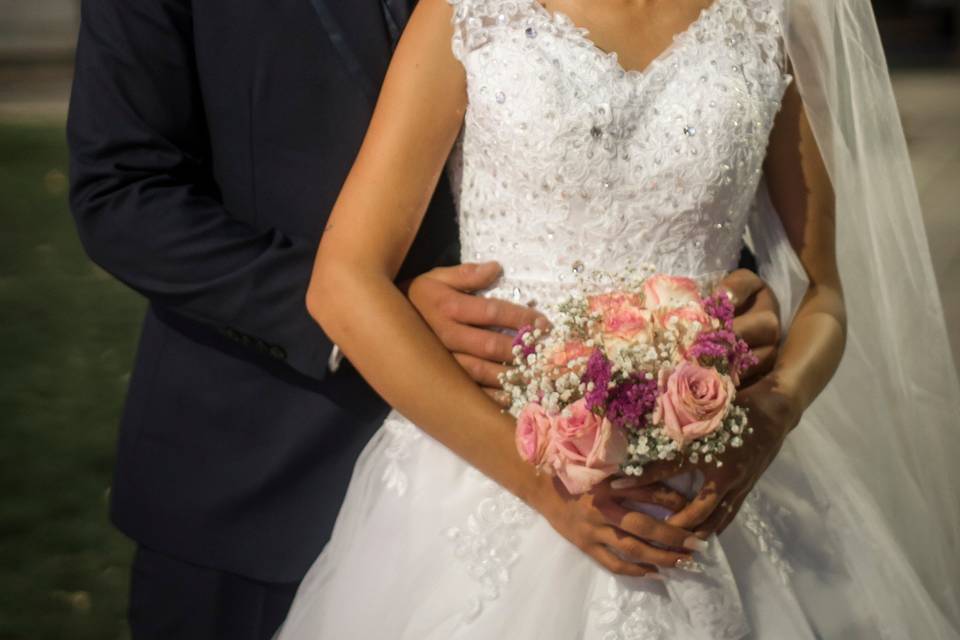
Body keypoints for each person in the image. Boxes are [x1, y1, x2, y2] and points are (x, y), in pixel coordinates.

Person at [66, 0, 782, 637]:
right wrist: (383, 304)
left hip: (586, 465)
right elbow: (122, 190)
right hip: (257, 471)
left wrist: (706, 302)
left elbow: (638, 124)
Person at [275, 0, 960, 638]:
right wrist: (542, 489)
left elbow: (825, 291)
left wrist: (771, 416)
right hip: (492, 464)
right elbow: (342, 283)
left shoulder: (768, 19)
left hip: (714, 475)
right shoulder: (470, 13)